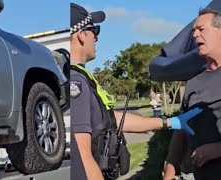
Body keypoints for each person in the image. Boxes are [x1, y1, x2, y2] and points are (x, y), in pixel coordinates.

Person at [70, 3, 203, 180]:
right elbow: (83, 155)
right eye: (95, 31)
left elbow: (112, 119)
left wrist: (169, 122)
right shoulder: (76, 82)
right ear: (81, 35)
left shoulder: (81, 78)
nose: (96, 38)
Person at [163, 8, 221, 180]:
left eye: (201, 29)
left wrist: (218, 149)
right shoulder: (193, 83)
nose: (195, 35)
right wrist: (170, 170)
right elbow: (182, 129)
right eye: (193, 31)